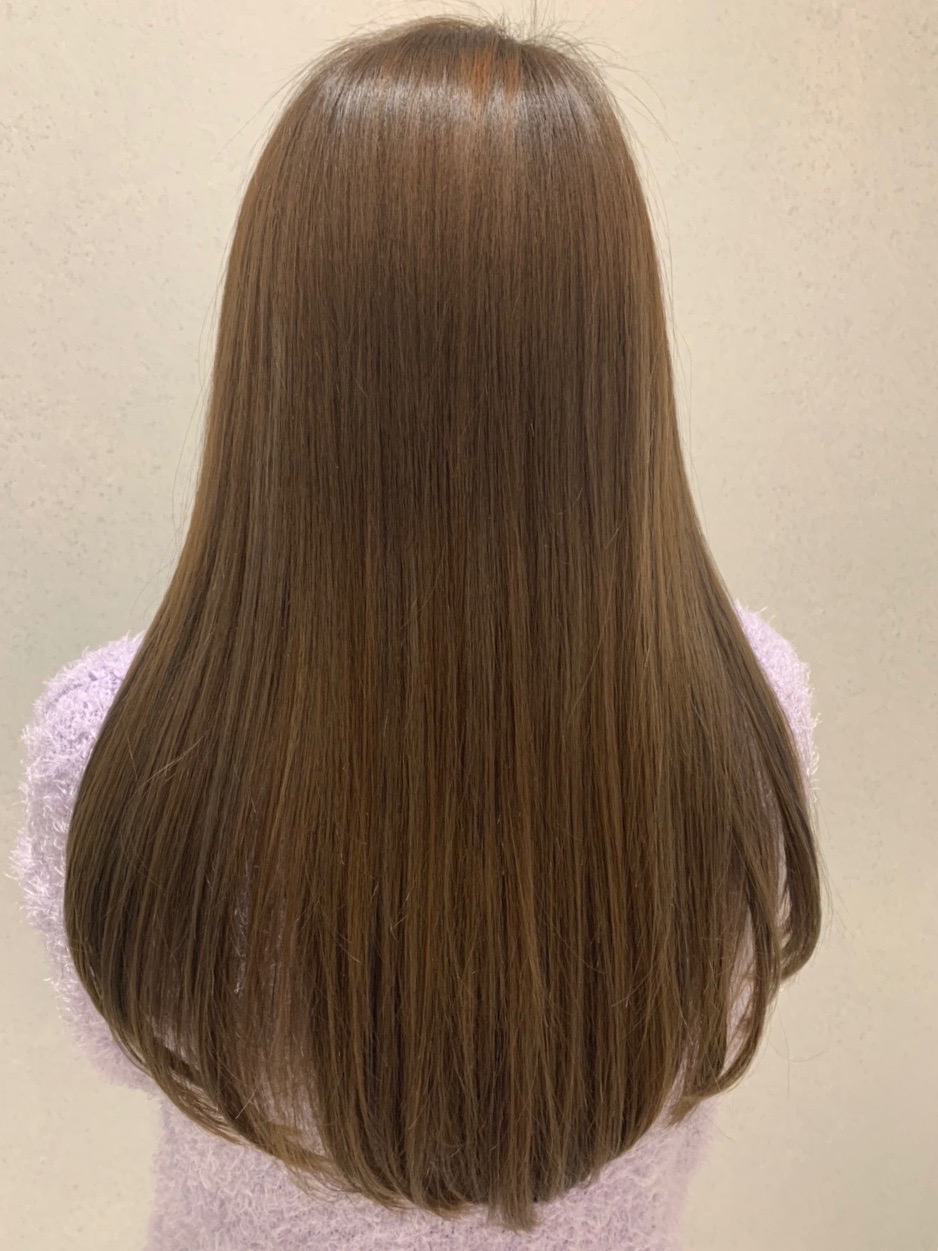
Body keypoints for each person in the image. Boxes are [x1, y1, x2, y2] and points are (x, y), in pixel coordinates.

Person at [10, 12, 824, 1249]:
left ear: (278, 346)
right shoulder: (747, 711)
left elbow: (135, 1048)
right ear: (611, 350)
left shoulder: (112, 746)